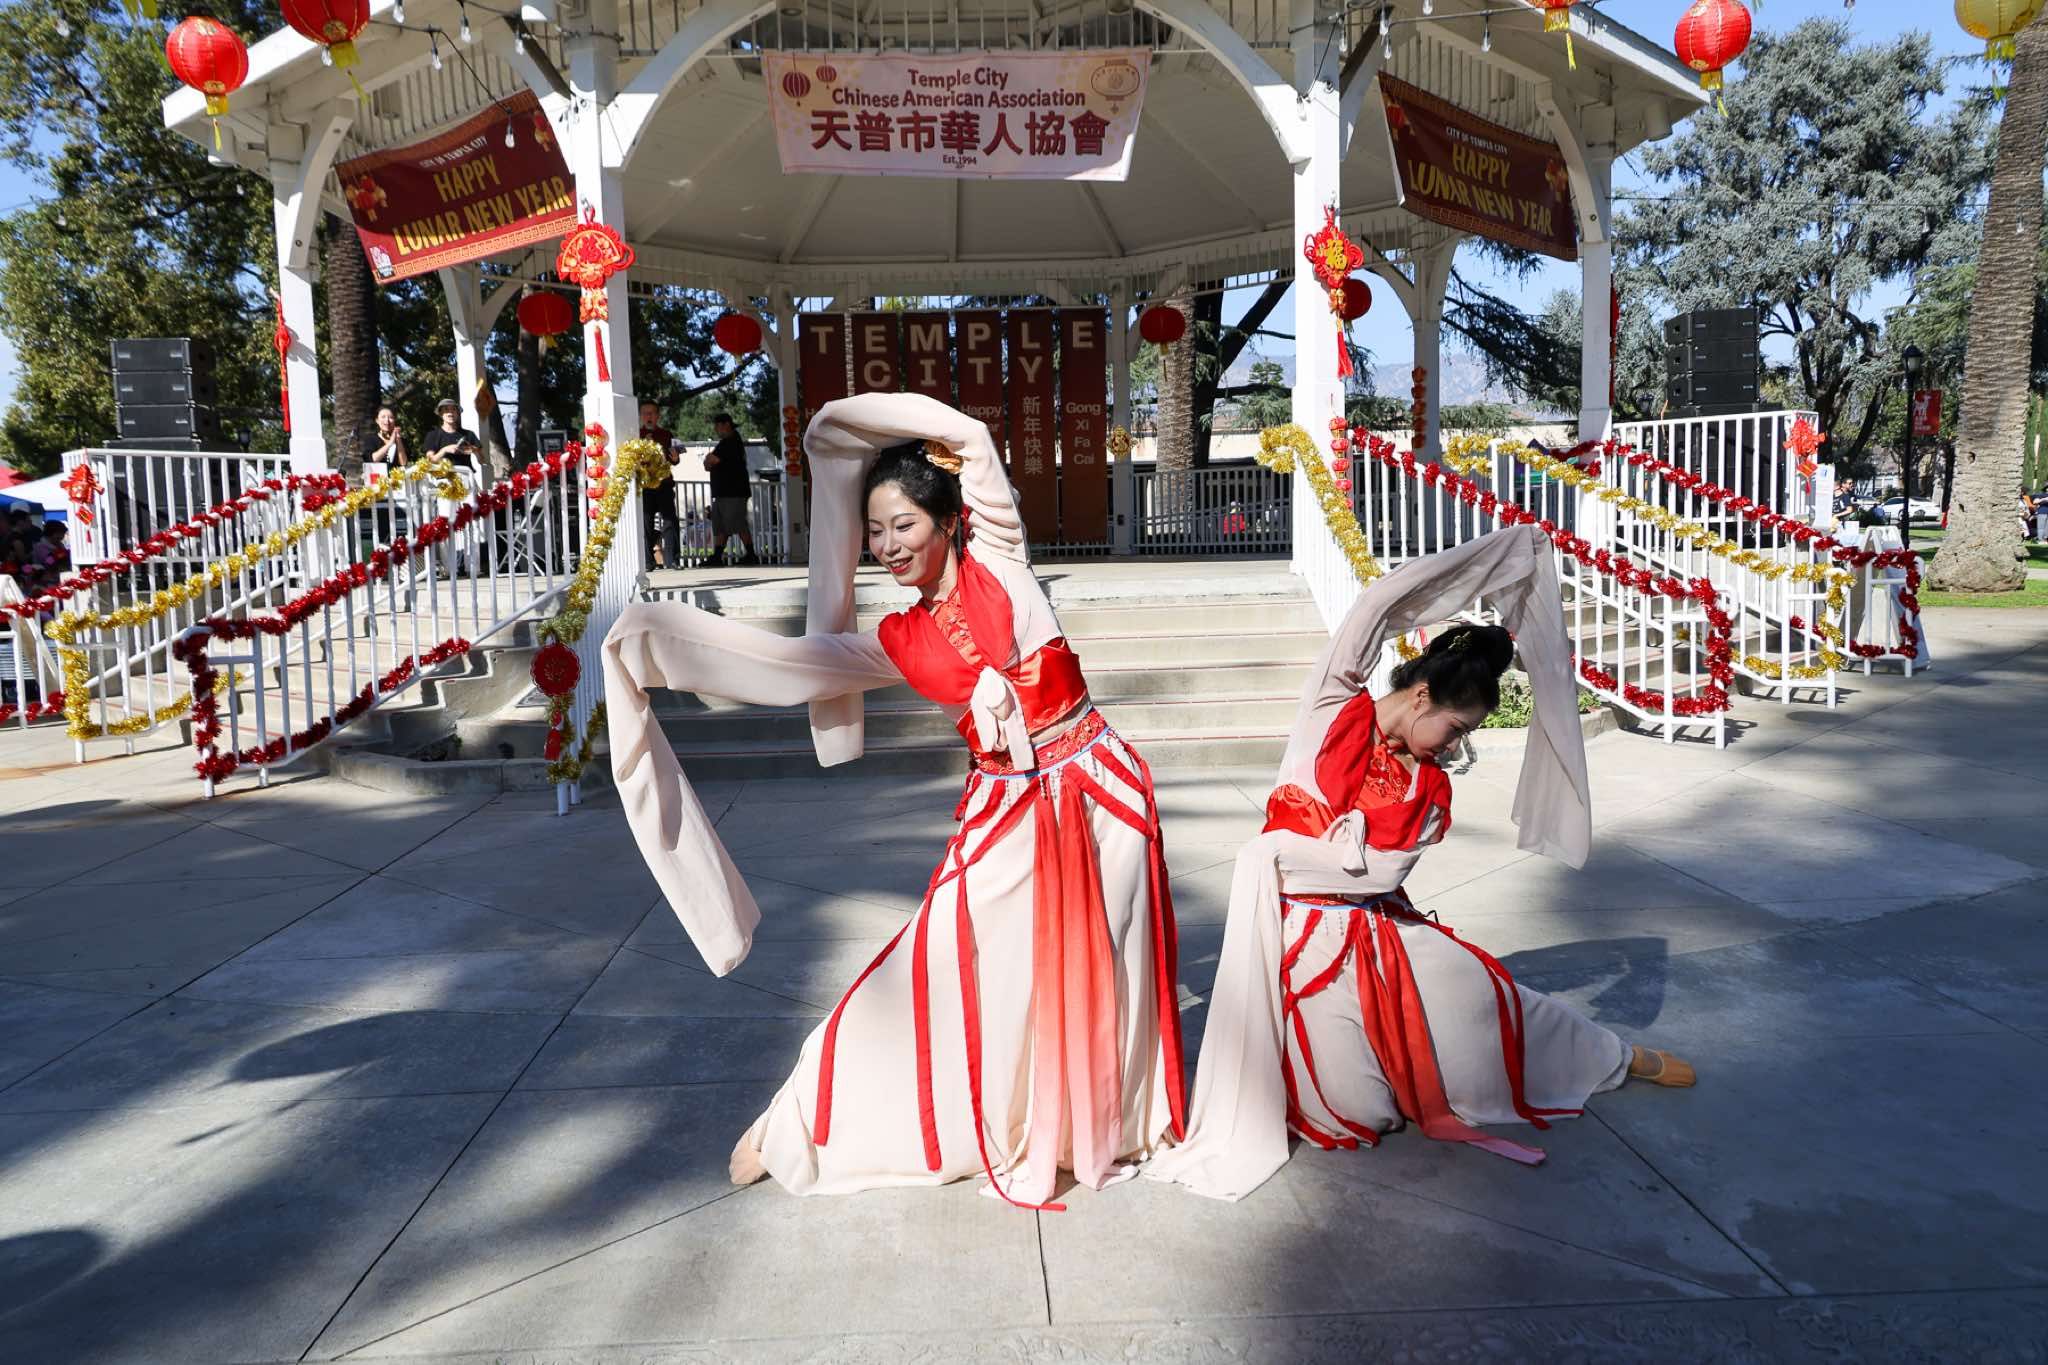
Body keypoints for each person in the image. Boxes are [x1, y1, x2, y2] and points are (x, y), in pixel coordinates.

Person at [601, 392, 1187, 1207]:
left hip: (1099, 794)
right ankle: (804, 1115)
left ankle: (1099, 1121)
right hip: (1008, 812)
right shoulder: (898, 639)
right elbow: (793, 665)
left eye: (903, 524)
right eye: (873, 531)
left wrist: (842, 429)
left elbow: (971, 436)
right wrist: (657, 641)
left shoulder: (1002, 560)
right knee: (932, 964)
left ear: (948, 519)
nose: (887, 545)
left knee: (1107, 969)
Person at [1146, 528, 1694, 1202]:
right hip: (1296, 935)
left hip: (1374, 929)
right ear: (1421, 696)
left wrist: (1286, 850)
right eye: (1457, 730)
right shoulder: (1330, 709)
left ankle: (1610, 1055)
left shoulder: (1430, 790)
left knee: (1484, 994)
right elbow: (1375, 606)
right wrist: (1499, 557)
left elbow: (1375, 876)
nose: (1456, 748)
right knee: (1354, 1111)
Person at [421, 398, 483, 577]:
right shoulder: (434, 435)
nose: (450, 413)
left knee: (472, 521)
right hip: (445, 479)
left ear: (458, 412)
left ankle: (474, 566)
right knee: (446, 521)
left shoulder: (468, 434)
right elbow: (430, 459)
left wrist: (474, 450)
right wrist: (445, 450)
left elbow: (482, 460)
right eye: (446, 410)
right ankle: (449, 568)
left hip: (466, 478)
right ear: (440, 413)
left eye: (453, 410)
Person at [703, 412, 759, 567]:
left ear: (726, 424)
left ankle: (751, 554)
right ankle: (717, 555)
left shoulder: (731, 442)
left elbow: (712, 461)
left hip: (734, 491)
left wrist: (709, 458)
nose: (716, 429)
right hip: (723, 491)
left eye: (717, 426)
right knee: (720, 524)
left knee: (737, 522)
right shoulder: (725, 443)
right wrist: (708, 460)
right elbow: (708, 464)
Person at [637, 400, 682, 570]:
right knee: (645, 523)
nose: (648, 416)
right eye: (645, 413)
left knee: (670, 521)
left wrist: (675, 458)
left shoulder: (666, 434)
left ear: (657, 416)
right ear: (641, 416)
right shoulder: (636, 434)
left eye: (651, 413)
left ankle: (672, 560)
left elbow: (674, 459)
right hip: (645, 485)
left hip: (664, 484)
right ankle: (648, 562)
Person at [361, 406, 409, 470]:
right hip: (377, 475)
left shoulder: (401, 440)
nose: (387, 420)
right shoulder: (370, 439)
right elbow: (372, 460)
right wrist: (390, 443)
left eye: (391, 417)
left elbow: (403, 463)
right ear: (377, 420)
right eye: (383, 417)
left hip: (396, 475)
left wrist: (398, 440)